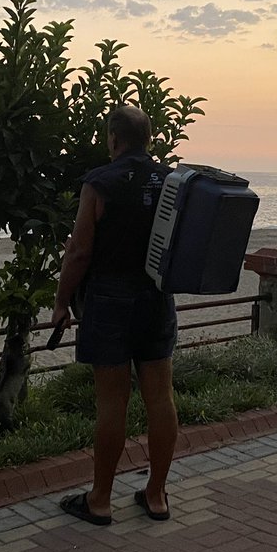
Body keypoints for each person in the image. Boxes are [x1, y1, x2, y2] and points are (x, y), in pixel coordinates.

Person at [52, 105, 179, 525]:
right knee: (161, 398)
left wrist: (60, 301)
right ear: (151, 138)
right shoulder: (171, 182)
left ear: (112, 138)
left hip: (108, 301)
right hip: (156, 297)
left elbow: (79, 250)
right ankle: (156, 494)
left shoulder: (99, 183)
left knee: (112, 403)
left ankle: (101, 499)